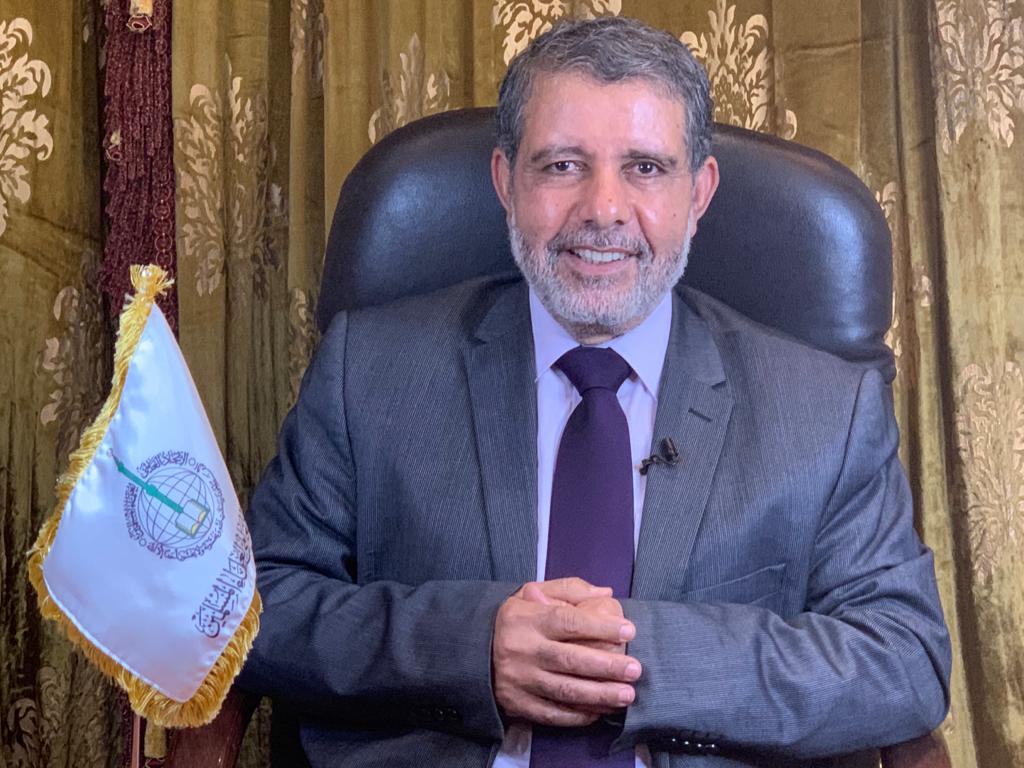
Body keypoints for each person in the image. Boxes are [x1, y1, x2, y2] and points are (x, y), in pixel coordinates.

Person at [238, 16, 950, 768]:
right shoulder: (369, 370)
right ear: (506, 182)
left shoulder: (828, 410)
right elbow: (254, 609)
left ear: (699, 192)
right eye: (562, 165)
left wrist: (634, 656)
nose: (603, 209)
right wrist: (468, 649)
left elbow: (904, 658)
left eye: (645, 168)